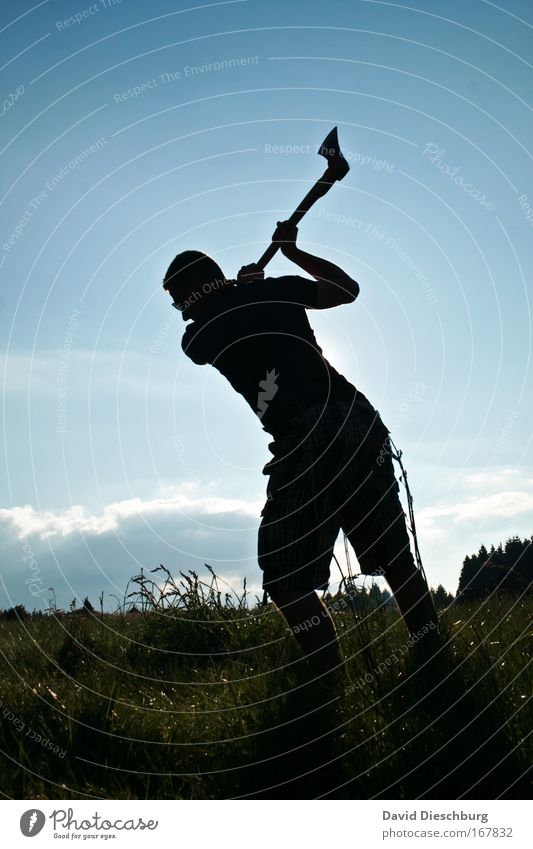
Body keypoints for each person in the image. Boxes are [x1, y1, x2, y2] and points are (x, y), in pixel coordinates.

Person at [162, 221, 438, 690]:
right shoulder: (270, 294)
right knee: (395, 559)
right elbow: (345, 290)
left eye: (178, 299)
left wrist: (245, 286)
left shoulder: (199, 334)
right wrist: (291, 256)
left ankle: (330, 689)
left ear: (189, 293)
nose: (179, 310)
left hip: (304, 434)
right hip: (357, 418)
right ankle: (435, 663)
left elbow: (217, 321)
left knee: (285, 578)